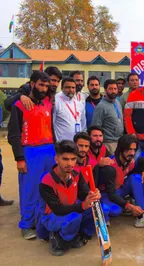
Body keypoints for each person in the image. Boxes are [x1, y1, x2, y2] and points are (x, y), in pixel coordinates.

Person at [8, 71, 55, 239]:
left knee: (48, 187)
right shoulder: (19, 105)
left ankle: (41, 220)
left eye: (46, 86)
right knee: (30, 189)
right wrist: (19, 158)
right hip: (30, 151)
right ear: (32, 84)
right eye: (41, 85)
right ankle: (27, 224)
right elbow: (13, 135)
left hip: (49, 149)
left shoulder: (49, 102)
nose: (44, 89)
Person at [38, 140, 100, 256]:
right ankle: (58, 237)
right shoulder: (46, 181)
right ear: (57, 159)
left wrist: (92, 195)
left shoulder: (76, 173)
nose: (70, 163)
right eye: (65, 159)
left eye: (73, 159)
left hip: (70, 209)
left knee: (99, 208)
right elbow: (58, 209)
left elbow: (83, 193)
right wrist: (82, 205)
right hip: (52, 215)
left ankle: (79, 234)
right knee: (75, 217)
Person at [96, 135, 144, 227]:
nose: (132, 153)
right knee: (116, 211)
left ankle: (142, 215)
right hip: (106, 195)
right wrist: (128, 205)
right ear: (121, 149)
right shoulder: (110, 166)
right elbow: (111, 194)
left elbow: (133, 175)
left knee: (137, 177)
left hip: (118, 190)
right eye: (128, 149)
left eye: (134, 149)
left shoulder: (129, 162)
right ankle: (106, 214)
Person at [92, 79, 124, 154]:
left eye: (115, 89)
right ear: (105, 90)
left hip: (119, 141)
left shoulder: (117, 102)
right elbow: (96, 126)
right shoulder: (101, 106)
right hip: (108, 143)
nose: (113, 91)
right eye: (110, 89)